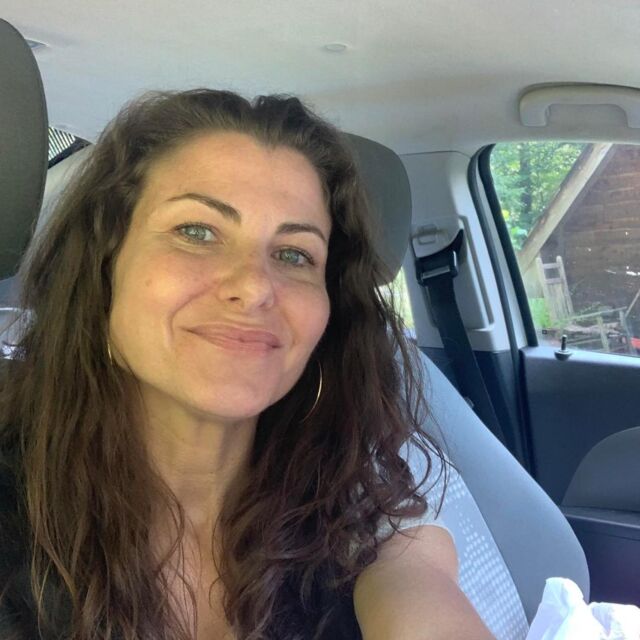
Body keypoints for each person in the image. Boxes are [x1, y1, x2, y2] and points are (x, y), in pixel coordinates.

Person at [0, 89, 493, 639]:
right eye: (196, 232)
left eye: (294, 254)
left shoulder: (360, 496)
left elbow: (415, 586)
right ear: (103, 264)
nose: (256, 286)